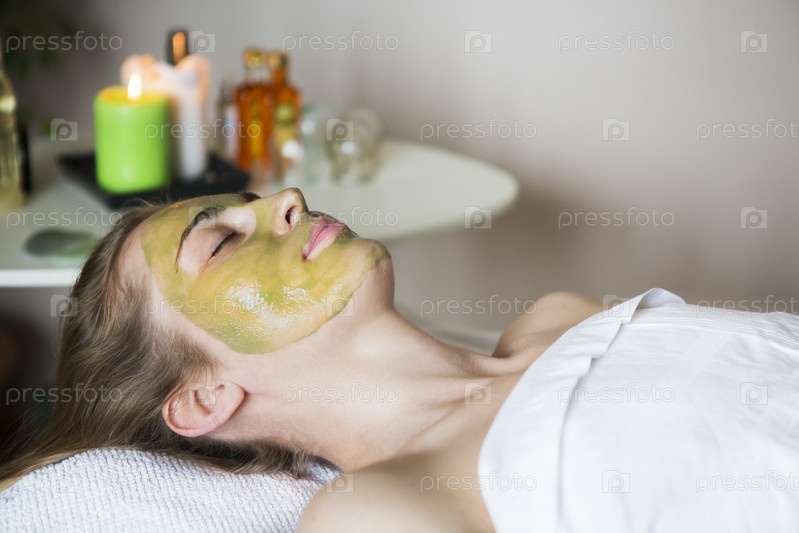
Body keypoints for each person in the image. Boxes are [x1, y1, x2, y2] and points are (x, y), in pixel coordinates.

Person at [3, 188, 798, 532]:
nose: (284, 198)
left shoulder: (559, 315)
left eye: (248, 204)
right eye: (220, 241)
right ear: (204, 397)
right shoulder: (375, 510)